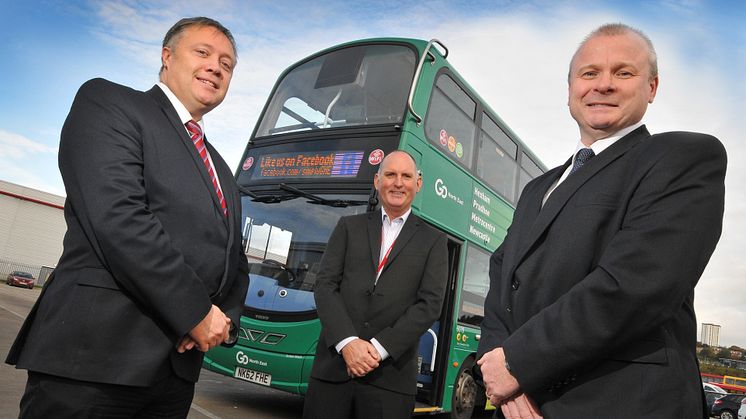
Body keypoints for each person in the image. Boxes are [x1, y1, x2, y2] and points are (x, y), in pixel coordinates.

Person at [476, 23, 726, 418]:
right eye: (589, 73)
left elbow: (637, 285)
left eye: (623, 72)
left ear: (652, 88)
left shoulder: (684, 157)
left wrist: (517, 363)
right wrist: (500, 370)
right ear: (570, 89)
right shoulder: (536, 188)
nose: (603, 84)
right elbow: (499, 281)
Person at [6, 17, 249, 418]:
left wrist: (221, 321)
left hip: (175, 372)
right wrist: (195, 312)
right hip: (95, 359)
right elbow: (119, 218)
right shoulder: (109, 103)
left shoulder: (221, 168)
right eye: (202, 53)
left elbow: (232, 257)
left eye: (227, 63)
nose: (216, 67)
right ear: (167, 57)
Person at [303, 150, 449, 419]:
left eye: (406, 176)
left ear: (418, 184)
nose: (398, 182)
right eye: (390, 174)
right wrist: (348, 343)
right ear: (376, 180)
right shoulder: (348, 227)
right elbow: (325, 286)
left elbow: (429, 306)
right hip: (333, 374)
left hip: (390, 384)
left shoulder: (434, 242)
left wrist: (377, 350)